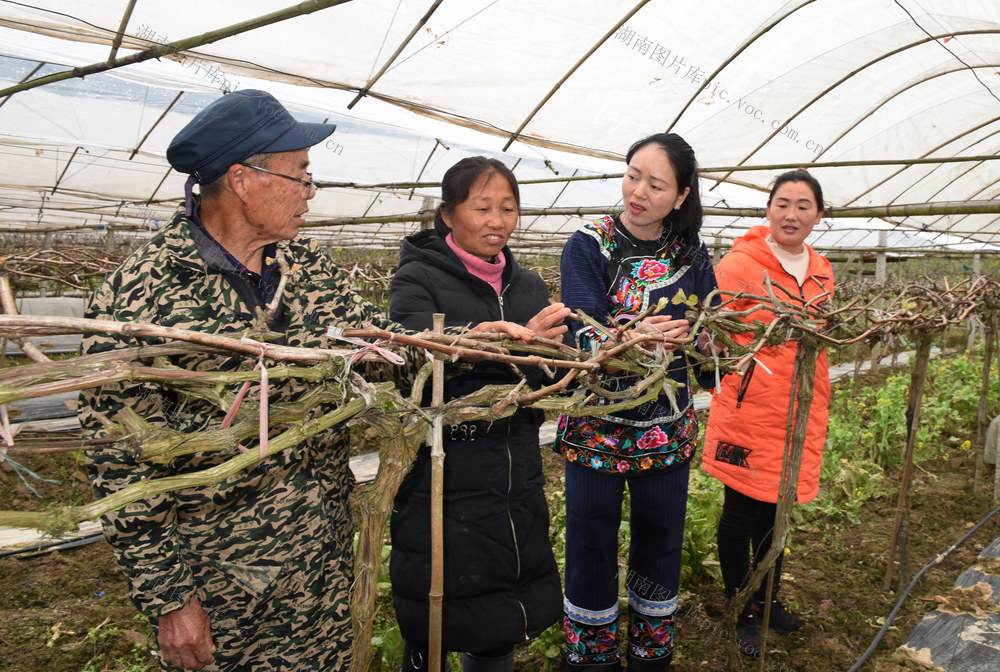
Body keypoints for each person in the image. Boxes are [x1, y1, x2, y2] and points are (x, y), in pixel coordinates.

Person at [78, 90, 531, 672]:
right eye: (301, 175)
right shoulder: (139, 297)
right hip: (223, 585)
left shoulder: (311, 269)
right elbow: (117, 466)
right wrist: (170, 599)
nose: (311, 192)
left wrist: (469, 343)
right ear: (242, 179)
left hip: (326, 565)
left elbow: (374, 365)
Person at [388, 156, 570, 672]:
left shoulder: (528, 286)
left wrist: (556, 352)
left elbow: (541, 378)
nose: (498, 220)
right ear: (448, 215)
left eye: (508, 208)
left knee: (497, 614)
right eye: (483, 207)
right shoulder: (416, 279)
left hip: (512, 471)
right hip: (443, 473)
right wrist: (504, 342)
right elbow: (416, 361)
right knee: (437, 607)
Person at [554, 133, 720, 671]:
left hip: (665, 432)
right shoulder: (589, 243)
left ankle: (650, 657)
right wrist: (632, 334)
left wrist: (706, 342)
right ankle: (591, 659)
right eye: (632, 175)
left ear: (680, 196)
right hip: (596, 428)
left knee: (661, 544)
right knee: (590, 545)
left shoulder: (692, 255)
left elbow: (707, 342)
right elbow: (583, 330)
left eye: (656, 183)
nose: (639, 191)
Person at [701, 170, 834, 655]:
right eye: (782, 203)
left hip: (800, 408)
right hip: (750, 407)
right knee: (742, 512)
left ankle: (768, 597)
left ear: (819, 214)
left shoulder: (822, 270)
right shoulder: (738, 265)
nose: (791, 214)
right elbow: (711, 336)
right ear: (768, 210)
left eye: (802, 205)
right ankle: (742, 608)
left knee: (778, 514)